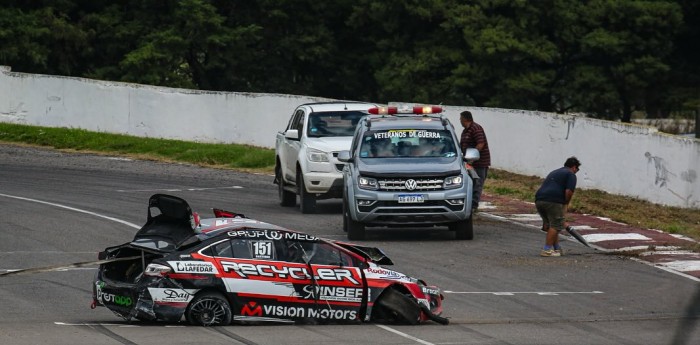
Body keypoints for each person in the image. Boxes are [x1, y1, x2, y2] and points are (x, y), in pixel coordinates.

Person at [535, 157, 581, 257]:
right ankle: (546, 250)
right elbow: (568, 191)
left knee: (552, 225)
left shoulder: (554, 172)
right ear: (574, 167)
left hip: (539, 199)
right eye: (577, 169)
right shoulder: (571, 174)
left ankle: (556, 249)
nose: (577, 172)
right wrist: (566, 203)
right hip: (553, 201)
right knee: (556, 225)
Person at [459, 110, 491, 211]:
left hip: (479, 163)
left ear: (465, 119)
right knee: (469, 184)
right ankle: (468, 205)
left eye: (460, 119)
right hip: (469, 163)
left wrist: (472, 157)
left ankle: (473, 206)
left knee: (477, 184)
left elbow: (480, 143)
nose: (460, 121)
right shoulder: (466, 131)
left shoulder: (475, 128)